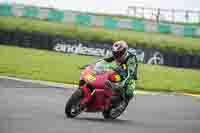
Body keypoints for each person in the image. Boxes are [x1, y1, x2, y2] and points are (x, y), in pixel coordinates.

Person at [102, 40, 138, 111]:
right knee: (107, 77)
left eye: (119, 53)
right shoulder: (116, 54)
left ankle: (124, 103)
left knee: (129, 90)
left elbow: (130, 72)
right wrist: (93, 65)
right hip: (119, 71)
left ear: (125, 51)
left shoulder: (131, 58)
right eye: (115, 53)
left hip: (130, 75)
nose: (117, 55)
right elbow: (105, 60)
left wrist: (123, 82)